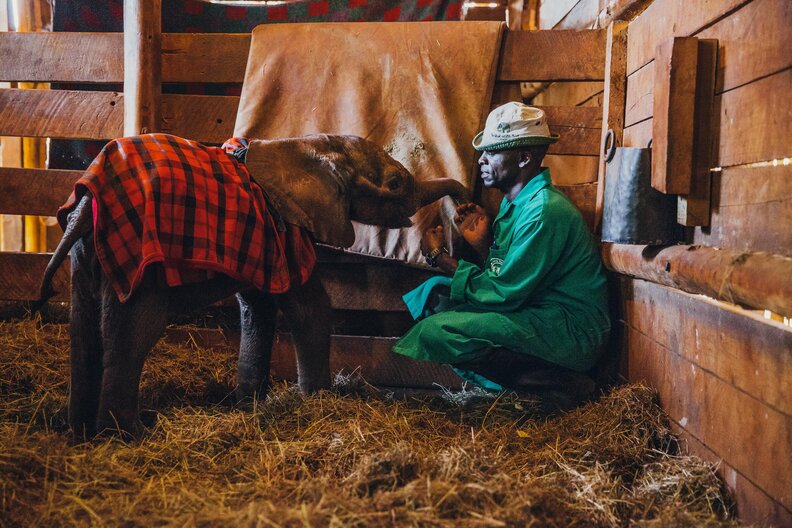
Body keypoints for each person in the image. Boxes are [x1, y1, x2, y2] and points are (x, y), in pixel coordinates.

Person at [392, 102, 610, 407]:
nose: (482, 160)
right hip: (536, 311)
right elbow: (508, 276)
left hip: (569, 330)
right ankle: (540, 386)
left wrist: (441, 260)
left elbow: (506, 292)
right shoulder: (514, 204)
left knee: (440, 331)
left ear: (523, 158)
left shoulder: (544, 211)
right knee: (435, 296)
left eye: (492, 152)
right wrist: (484, 244)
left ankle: (563, 387)